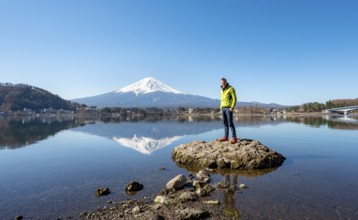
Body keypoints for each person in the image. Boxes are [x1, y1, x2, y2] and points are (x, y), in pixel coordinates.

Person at [219, 77, 237, 144]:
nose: (223, 83)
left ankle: (234, 138)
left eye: (224, 82)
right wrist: (221, 106)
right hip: (223, 108)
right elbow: (222, 99)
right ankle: (226, 137)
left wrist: (232, 107)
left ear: (226, 82)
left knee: (230, 123)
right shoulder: (221, 89)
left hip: (228, 108)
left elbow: (234, 99)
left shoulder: (231, 88)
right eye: (222, 82)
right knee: (225, 123)